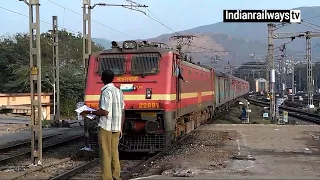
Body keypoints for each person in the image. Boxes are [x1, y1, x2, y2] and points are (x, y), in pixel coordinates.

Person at [81, 69, 125, 180]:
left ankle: (107, 178)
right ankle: (116, 176)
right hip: (116, 126)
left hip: (106, 126)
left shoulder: (106, 92)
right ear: (113, 78)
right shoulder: (119, 91)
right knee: (114, 151)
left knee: (105, 153)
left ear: (102, 79)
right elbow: (123, 110)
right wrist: (120, 126)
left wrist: (89, 112)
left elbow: (104, 112)